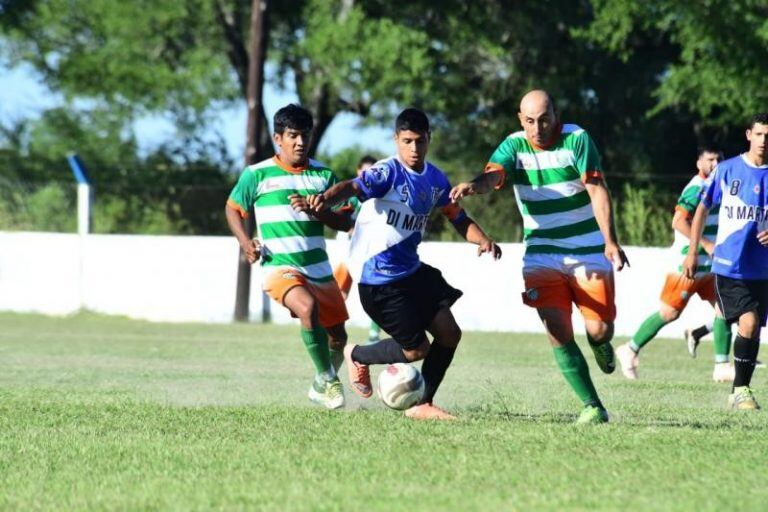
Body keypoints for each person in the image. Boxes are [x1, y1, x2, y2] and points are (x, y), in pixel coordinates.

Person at [302, 107, 501, 420]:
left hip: (412, 271)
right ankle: (357, 355)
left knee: (449, 333)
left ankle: (423, 404)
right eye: (406, 141)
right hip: (378, 280)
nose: (413, 148)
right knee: (416, 350)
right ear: (396, 140)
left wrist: (482, 238)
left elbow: (457, 216)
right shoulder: (388, 172)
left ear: (428, 140)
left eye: (419, 141)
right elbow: (353, 186)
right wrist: (325, 198)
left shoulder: (435, 179)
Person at [450, 89, 627, 424]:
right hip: (541, 252)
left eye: (544, 119)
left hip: (587, 249)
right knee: (556, 329)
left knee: (600, 329)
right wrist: (475, 185)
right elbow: (495, 175)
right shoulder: (514, 145)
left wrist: (610, 241)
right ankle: (592, 405)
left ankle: (600, 343)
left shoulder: (577, 140)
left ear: (556, 115)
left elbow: (597, 189)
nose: (538, 128)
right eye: (530, 121)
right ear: (521, 120)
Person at [225, 104, 353, 410]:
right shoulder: (256, 175)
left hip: (318, 268)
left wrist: (318, 210)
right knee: (307, 308)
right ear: (277, 138)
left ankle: (319, 384)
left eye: (304, 136)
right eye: (293, 136)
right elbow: (233, 208)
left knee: (338, 338)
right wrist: (245, 241)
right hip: (279, 266)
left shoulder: (323, 175)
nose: (300, 142)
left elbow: (345, 222)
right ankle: (328, 379)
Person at [615, 147, 735, 382]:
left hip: (710, 265)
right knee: (670, 312)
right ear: (699, 162)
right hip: (687, 264)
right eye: (710, 159)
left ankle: (722, 365)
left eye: (719, 159)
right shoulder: (696, 187)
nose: (716, 163)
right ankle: (629, 349)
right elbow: (679, 222)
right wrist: (706, 244)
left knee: (724, 308)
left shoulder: (721, 186)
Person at [683, 112, 768, 410]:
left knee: (753, 328)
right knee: (749, 321)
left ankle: (738, 388)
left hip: (763, 269)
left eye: (767, 135)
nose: (763, 140)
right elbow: (702, 210)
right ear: (749, 135)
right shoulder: (728, 170)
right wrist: (694, 251)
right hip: (729, 265)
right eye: (759, 134)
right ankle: (741, 389)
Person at [332, 155, 383, 343]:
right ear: (358, 172)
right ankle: (332, 328)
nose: (367, 175)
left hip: (372, 252)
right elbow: (338, 215)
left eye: (372, 171)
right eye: (364, 171)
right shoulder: (353, 198)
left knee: (376, 290)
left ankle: (374, 333)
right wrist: (350, 226)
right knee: (340, 292)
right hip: (349, 250)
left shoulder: (381, 197)